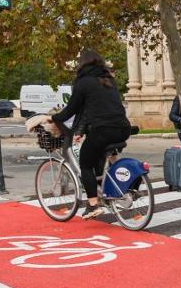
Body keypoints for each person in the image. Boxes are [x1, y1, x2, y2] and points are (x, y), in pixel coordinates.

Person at [49, 50, 132, 219]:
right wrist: (83, 130)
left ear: (82, 64)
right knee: (100, 156)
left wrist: (54, 118)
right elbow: (95, 109)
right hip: (123, 128)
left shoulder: (83, 82)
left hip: (103, 130)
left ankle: (93, 204)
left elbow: (71, 110)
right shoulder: (109, 80)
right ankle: (110, 189)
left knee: (85, 164)